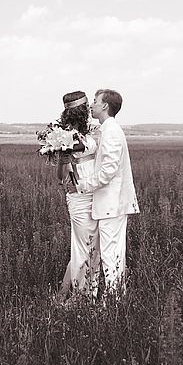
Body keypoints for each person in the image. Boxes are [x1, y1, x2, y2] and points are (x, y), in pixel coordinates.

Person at [76, 88, 139, 295]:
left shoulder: (111, 132)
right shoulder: (108, 129)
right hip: (112, 205)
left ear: (105, 105)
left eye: (95, 101)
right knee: (113, 254)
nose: (91, 105)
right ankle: (114, 300)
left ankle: (113, 303)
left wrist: (84, 184)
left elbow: (108, 171)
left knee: (111, 256)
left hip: (112, 205)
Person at [55, 91, 101, 301]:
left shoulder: (94, 130)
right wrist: (63, 158)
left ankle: (64, 293)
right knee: (83, 247)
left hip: (98, 195)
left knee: (88, 247)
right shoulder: (62, 136)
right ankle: (80, 296)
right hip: (79, 196)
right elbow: (60, 177)